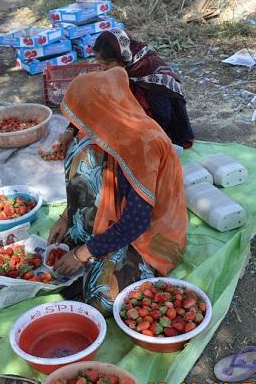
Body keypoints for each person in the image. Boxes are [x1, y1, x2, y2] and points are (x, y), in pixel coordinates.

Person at [49, 67, 187, 313]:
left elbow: (136, 222)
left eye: (84, 114)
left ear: (103, 109)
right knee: (80, 149)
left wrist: (81, 254)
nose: (81, 122)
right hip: (118, 217)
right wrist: (66, 217)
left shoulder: (144, 145)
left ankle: (99, 251)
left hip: (149, 236)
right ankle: (91, 238)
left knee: (103, 299)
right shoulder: (109, 128)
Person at [57, 28, 194, 152]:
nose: (103, 69)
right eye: (101, 64)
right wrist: (71, 129)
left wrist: (124, 133)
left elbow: (162, 120)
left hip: (160, 133)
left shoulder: (152, 75)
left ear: (123, 57)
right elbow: (93, 101)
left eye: (108, 64)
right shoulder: (120, 70)